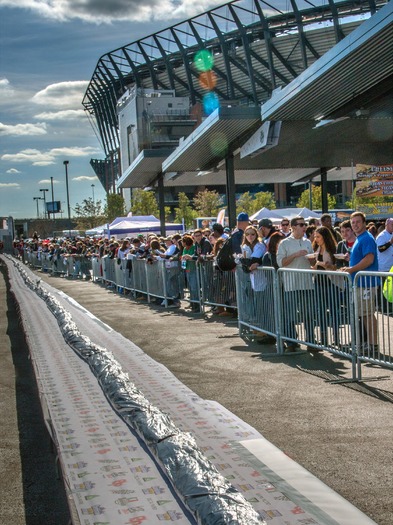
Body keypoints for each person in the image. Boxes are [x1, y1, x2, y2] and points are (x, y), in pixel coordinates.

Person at [339, 212, 379, 355]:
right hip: (360, 282)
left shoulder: (366, 238)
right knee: (364, 314)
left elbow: (369, 259)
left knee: (367, 314)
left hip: (366, 283)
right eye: (353, 222)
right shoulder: (360, 238)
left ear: (364, 222)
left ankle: (373, 345)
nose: (355, 225)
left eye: (358, 222)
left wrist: (351, 269)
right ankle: (370, 344)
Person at [277, 216, 315, 351]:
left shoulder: (308, 242)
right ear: (293, 227)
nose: (304, 227)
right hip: (291, 285)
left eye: (305, 224)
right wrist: (295, 255)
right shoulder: (284, 243)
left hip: (307, 284)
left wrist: (312, 259)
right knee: (291, 315)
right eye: (301, 224)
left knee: (309, 314)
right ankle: (292, 342)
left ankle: (311, 341)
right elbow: (280, 263)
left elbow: (312, 262)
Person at [312, 226, 341, 346]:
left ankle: (336, 339)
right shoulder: (317, 249)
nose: (316, 239)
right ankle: (324, 338)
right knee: (321, 311)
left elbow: (336, 267)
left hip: (331, 283)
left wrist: (325, 265)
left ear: (325, 237)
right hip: (318, 283)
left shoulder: (332, 250)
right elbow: (315, 267)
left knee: (334, 310)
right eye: (315, 236)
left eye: (318, 237)